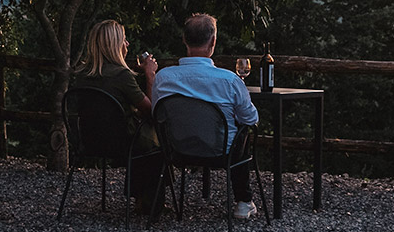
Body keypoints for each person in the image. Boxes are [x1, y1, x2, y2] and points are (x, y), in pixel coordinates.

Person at [151, 13, 261, 220]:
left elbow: (157, 113)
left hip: (176, 150)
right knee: (243, 131)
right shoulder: (229, 80)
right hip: (221, 152)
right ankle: (243, 201)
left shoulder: (163, 77)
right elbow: (251, 118)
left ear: (184, 39)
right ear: (213, 41)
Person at [72, 19, 161, 211]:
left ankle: (142, 198)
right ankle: (147, 201)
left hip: (90, 141)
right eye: (124, 40)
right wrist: (150, 76)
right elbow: (151, 111)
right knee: (153, 140)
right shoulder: (121, 76)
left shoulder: (82, 74)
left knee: (143, 137)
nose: (127, 44)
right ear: (114, 45)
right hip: (122, 143)